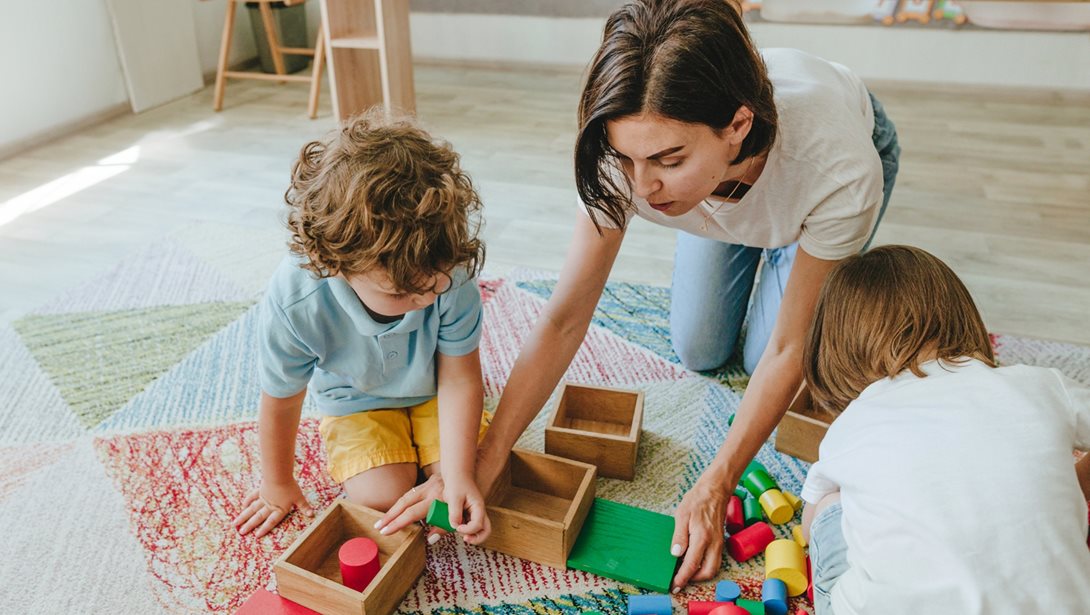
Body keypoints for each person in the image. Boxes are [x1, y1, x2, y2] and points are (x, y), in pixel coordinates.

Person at [379, 0, 900, 590]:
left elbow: (787, 349)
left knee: (764, 361)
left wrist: (715, 482)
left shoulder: (840, 169)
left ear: (736, 127)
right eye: (627, 158)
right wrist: (486, 454)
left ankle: (774, 241)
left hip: (804, 181)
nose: (642, 187)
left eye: (666, 160)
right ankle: (729, 221)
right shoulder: (626, 160)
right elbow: (565, 317)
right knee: (701, 348)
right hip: (718, 190)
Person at [231, 111, 491, 545]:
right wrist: (277, 483)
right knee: (382, 497)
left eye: (435, 283)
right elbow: (281, 395)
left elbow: (461, 376)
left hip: (437, 388)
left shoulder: (449, 270)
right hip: (355, 400)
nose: (426, 298)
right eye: (401, 294)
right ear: (336, 265)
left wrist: (460, 475)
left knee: (465, 487)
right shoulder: (297, 300)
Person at [799, 245, 1090, 614]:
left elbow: (811, 528)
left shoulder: (851, 425)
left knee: (830, 504)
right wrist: (1078, 478)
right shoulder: (1041, 384)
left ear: (838, 348)